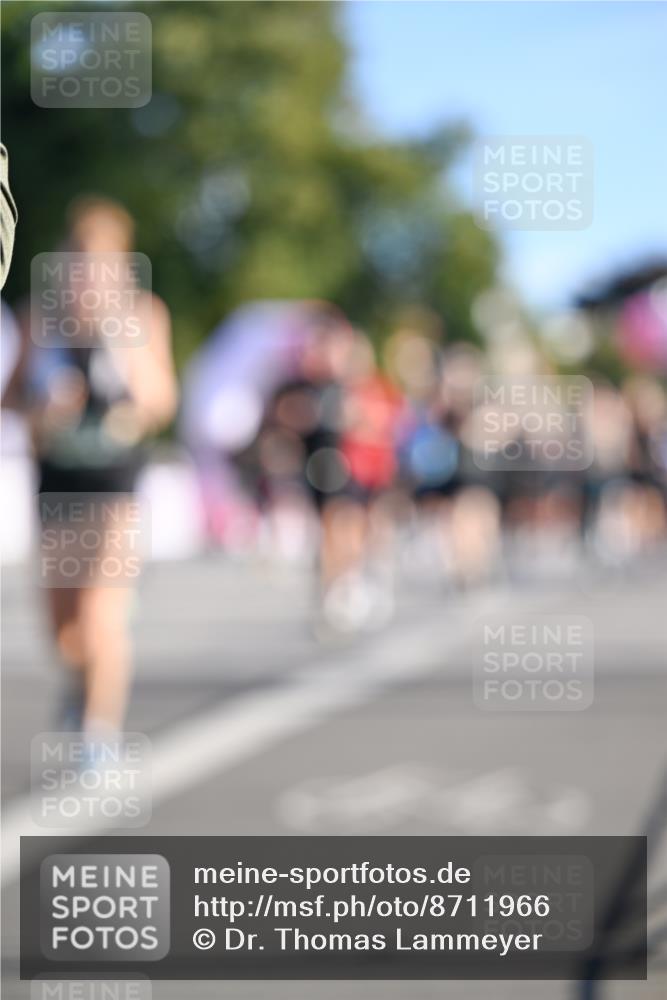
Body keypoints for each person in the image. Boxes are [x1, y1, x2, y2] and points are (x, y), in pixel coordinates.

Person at [4, 196, 178, 740]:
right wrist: (44, 406)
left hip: (114, 484)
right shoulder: (40, 316)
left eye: (99, 260)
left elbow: (162, 399)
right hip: (56, 480)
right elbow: (8, 398)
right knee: (63, 630)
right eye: (78, 257)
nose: (86, 271)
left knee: (102, 615)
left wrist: (127, 392)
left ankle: (100, 736)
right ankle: (81, 686)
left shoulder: (143, 315)